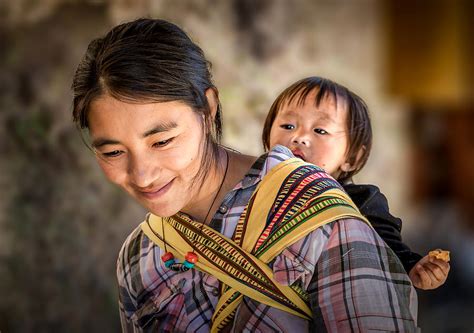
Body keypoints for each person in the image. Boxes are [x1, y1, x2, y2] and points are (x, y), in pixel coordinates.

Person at [72, 19, 418, 332]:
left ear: (208, 108)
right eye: (112, 152)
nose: (143, 175)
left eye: (162, 141)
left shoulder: (315, 213)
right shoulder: (138, 255)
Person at [262, 76, 450, 290]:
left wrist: (411, 266)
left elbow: (386, 246)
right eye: (288, 125)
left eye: (320, 130)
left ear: (352, 158)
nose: (299, 137)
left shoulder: (357, 200)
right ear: (268, 136)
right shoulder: (251, 190)